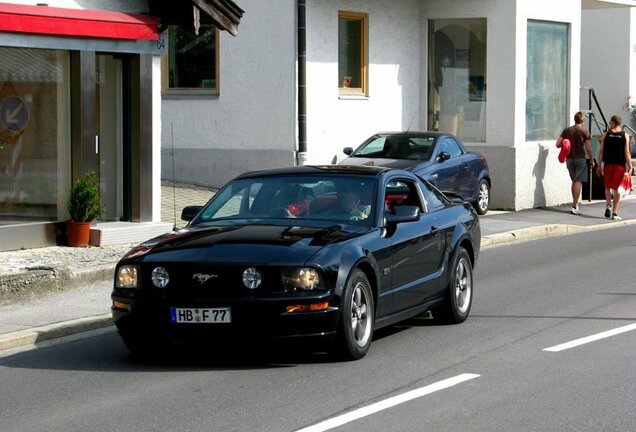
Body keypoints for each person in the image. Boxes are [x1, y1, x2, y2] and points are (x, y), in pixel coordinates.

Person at [556, 111, 595, 215]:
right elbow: (588, 147)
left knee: (574, 180)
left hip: (569, 159)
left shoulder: (567, 130)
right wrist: (591, 159)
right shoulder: (585, 132)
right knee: (577, 181)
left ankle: (574, 203)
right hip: (580, 159)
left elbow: (558, 144)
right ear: (583, 120)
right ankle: (574, 205)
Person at [596, 115, 633, 220]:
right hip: (619, 165)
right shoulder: (624, 135)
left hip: (608, 165)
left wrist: (599, 165)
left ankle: (608, 205)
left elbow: (601, 151)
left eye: (610, 122)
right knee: (617, 189)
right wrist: (630, 165)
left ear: (613, 122)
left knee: (607, 187)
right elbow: (627, 152)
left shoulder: (606, 135)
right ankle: (615, 213)